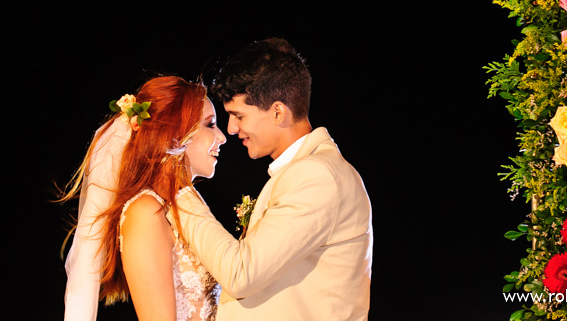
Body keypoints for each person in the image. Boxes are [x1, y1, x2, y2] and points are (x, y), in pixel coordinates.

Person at [175, 38, 372, 320]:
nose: (231, 129)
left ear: (278, 112)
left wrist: (179, 192)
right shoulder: (306, 171)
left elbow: (241, 274)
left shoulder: (317, 176)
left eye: (238, 116)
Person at [61, 75, 227, 321]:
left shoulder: (184, 204)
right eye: (210, 124)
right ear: (175, 133)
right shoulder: (145, 213)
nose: (222, 137)